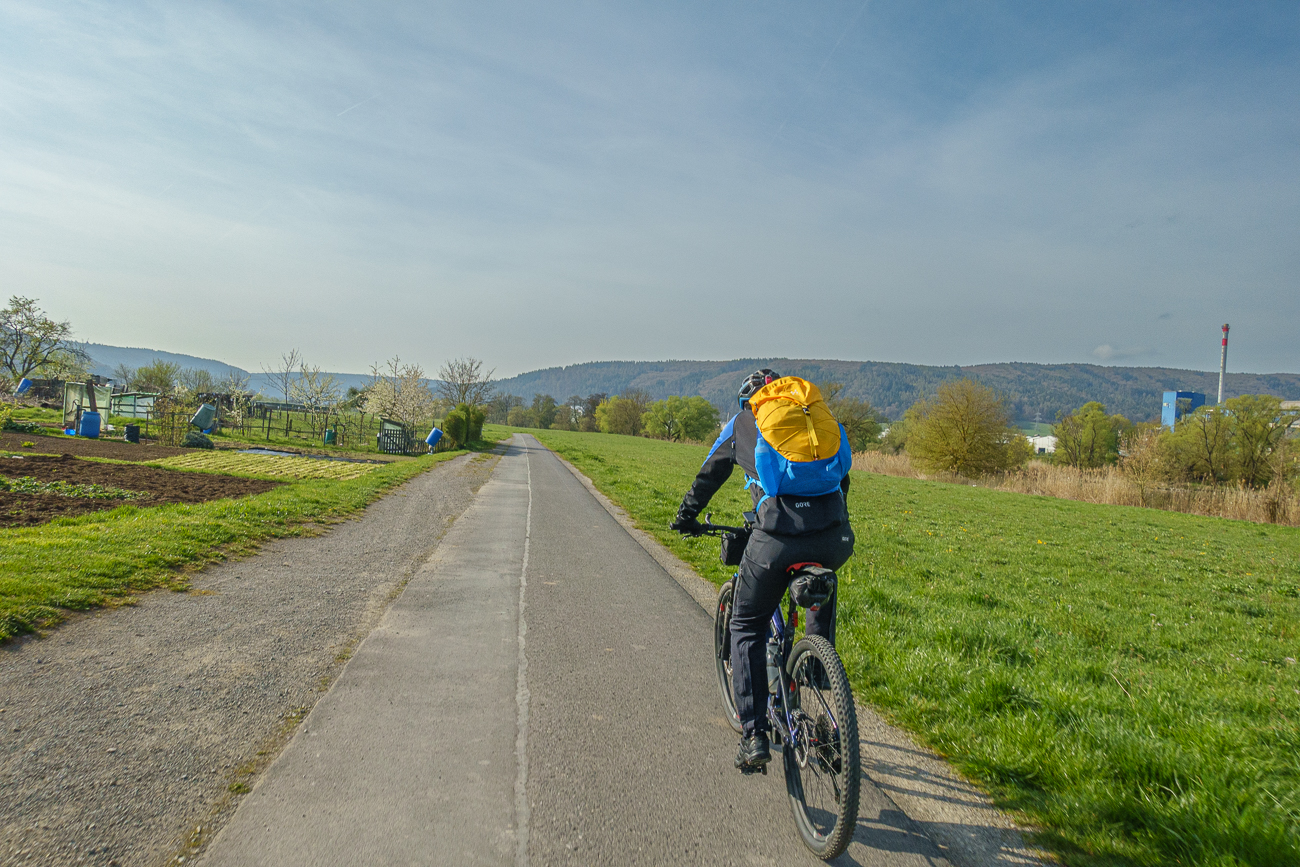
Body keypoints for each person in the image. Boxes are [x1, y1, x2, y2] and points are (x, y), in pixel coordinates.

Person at [671, 369, 855, 773]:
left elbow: (710, 473)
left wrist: (686, 516)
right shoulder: (817, 422)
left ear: (750, 401)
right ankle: (819, 670)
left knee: (747, 624)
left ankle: (753, 734)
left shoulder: (743, 422)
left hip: (775, 538)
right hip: (835, 537)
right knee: (820, 578)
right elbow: (842, 479)